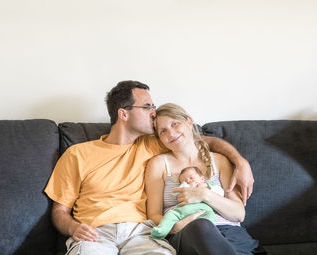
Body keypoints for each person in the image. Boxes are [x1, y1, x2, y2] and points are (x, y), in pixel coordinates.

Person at [44, 81, 254, 255]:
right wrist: (73, 228)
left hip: (141, 234)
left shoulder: (155, 142)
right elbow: (60, 210)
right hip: (96, 234)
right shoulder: (77, 154)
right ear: (123, 114)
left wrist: (240, 161)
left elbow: (201, 141)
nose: (154, 113)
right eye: (147, 107)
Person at [145, 103, 260, 255]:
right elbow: (153, 215)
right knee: (201, 226)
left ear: (189, 121)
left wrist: (204, 195)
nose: (171, 134)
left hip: (230, 234)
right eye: (163, 131)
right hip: (187, 234)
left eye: (175, 124)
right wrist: (175, 226)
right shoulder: (158, 164)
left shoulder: (219, 161)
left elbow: (239, 214)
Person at [151, 166, 224, 239]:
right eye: (185, 181)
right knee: (170, 215)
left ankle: (207, 233)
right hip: (182, 210)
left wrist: (207, 189)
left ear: (202, 179)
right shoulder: (185, 187)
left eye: (191, 178)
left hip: (204, 211)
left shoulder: (209, 185)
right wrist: (188, 187)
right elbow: (175, 194)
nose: (188, 181)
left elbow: (221, 193)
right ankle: (161, 231)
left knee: (210, 217)